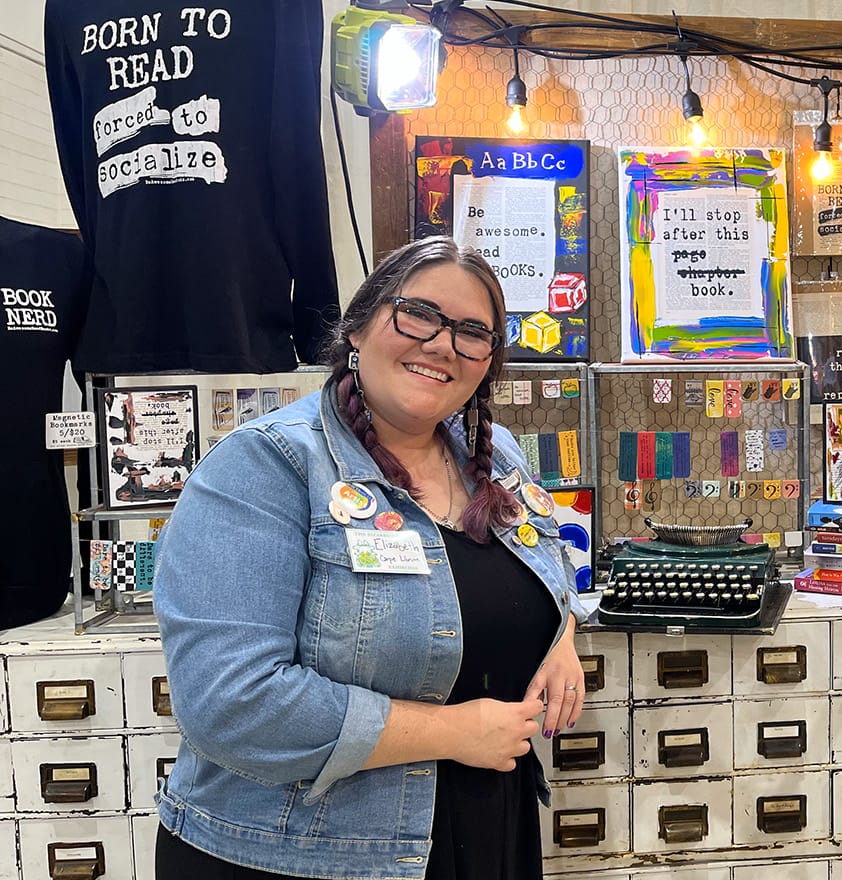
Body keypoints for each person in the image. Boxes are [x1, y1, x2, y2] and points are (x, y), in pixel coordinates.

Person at [152, 237, 586, 880]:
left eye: (473, 332)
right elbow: (231, 702)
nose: (442, 344)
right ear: (357, 327)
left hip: (482, 828)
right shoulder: (265, 467)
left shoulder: (494, 460)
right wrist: (453, 733)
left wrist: (560, 633)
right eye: (418, 314)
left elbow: (542, 559)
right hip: (303, 855)